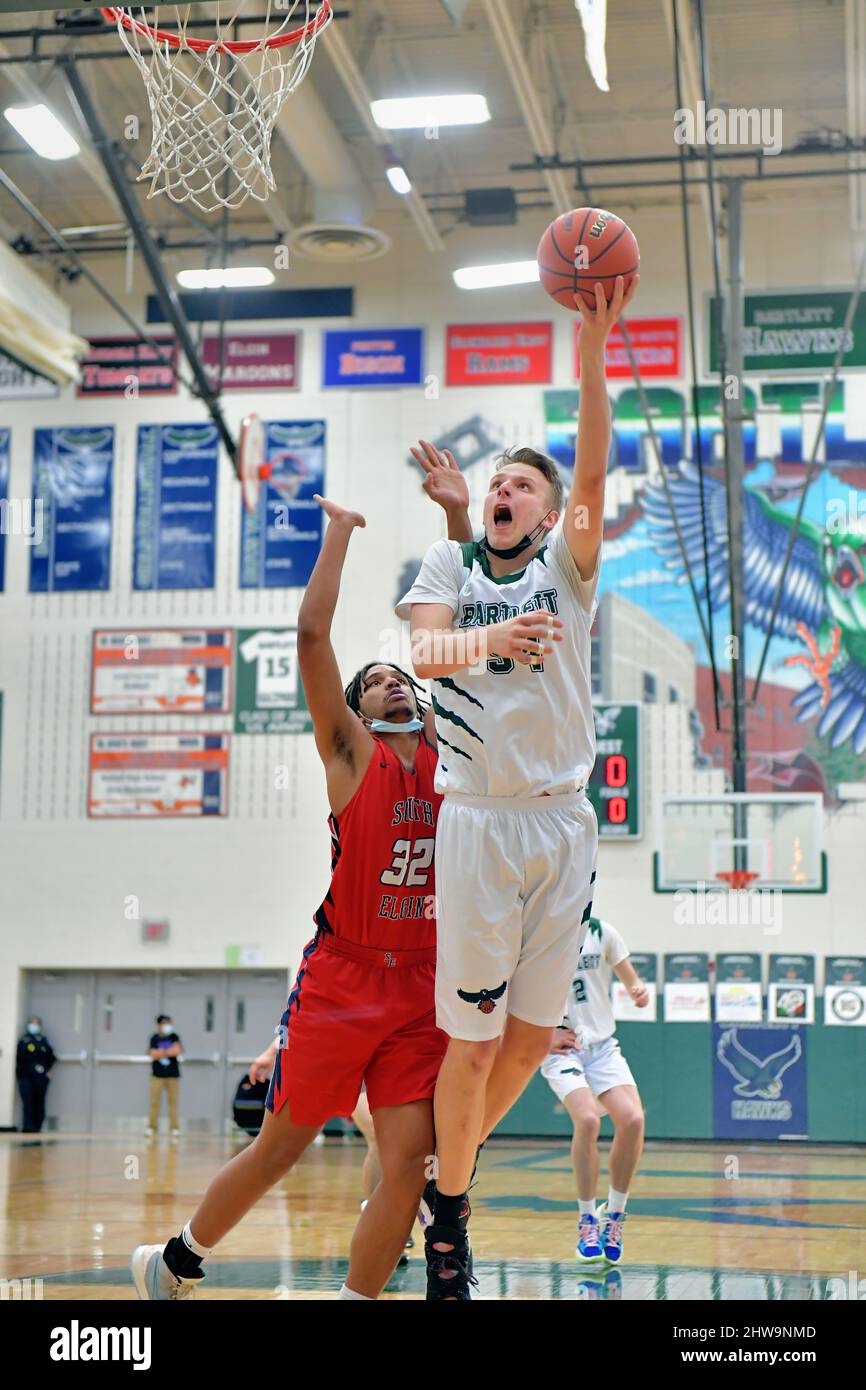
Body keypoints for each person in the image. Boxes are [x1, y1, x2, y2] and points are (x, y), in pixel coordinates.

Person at [131, 480, 472, 1302]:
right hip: (342, 977)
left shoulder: (453, 751)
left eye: (402, 676)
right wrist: (342, 533)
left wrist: (456, 517)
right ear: (352, 711)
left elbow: (464, 628)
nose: (395, 682)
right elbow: (311, 632)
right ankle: (177, 1260)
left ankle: (357, 1299)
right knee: (281, 1146)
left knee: (405, 1166)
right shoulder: (354, 758)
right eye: (377, 680)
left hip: (421, 985)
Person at [398, 274, 638, 1299]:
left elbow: (593, 455)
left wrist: (590, 347)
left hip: (566, 826)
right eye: (499, 480)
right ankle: (450, 1217)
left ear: (550, 518)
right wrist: (490, 637)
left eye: (524, 487)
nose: (507, 489)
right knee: (474, 1036)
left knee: (535, 1035)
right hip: (480, 824)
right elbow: (422, 654)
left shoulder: (567, 572)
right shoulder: (448, 566)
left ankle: (443, 1172)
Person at [540, 915, 648, 1265]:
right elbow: (509, 992)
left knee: (632, 1120)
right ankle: (586, 1218)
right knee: (588, 1121)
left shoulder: (600, 931)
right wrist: (544, 1036)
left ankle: (614, 1216)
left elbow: (629, 976)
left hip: (601, 1047)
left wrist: (637, 989)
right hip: (562, 1048)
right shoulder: (535, 932)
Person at [16, 1016, 55, 1134]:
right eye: (31, 1023)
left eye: (36, 1024)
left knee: (39, 1101)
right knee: (27, 1101)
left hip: (41, 1077)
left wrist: (46, 1070)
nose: (33, 1026)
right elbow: (20, 1058)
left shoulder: (44, 1041)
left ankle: (37, 1126)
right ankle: (28, 1126)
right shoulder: (24, 1040)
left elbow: (51, 1057)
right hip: (25, 1076)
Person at [146, 1015, 182, 1138]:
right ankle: (152, 1127)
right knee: (154, 1102)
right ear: (159, 1025)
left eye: (169, 1023)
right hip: (157, 1075)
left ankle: (174, 1128)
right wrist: (168, 1052)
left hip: (172, 1075)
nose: (167, 1026)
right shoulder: (154, 1038)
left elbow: (177, 1051)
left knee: (173, 1103)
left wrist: (161, 1053)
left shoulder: (174, 1037)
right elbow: (152, 1054)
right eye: (164, 1023)